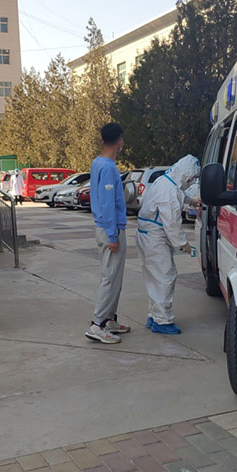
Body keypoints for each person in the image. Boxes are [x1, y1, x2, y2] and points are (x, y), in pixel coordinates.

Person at [136, 155, 200, 334]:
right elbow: (172, 223)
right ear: (186, 175)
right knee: (165, 276)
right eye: (191, 179)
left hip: (147, 235)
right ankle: (162, 321)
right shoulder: (169, 191)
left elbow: (179, 194)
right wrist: (183, 244)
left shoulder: (165, 181)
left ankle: (154, 315)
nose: (191, 182)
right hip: (154, 238)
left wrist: (191, 200)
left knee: (154, 277)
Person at [86, 122, 131, 344]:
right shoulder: (108, 168)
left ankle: (109, 319)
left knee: (115, 277)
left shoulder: (98, 163)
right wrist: (113, 235)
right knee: (110, 277)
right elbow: (107, 204)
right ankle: (97, 324)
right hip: (110, 229)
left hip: (107, 227)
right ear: (119, 141)